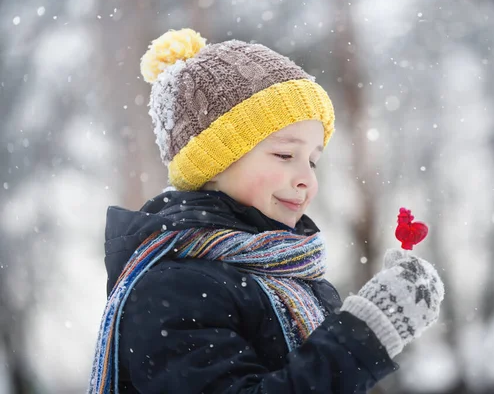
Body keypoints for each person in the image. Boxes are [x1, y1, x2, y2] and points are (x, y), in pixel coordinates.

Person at [88, 28, 444, 394]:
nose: (307, 179)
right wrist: (366, 333)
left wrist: (379, 324)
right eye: (285, 155)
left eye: (313, 161)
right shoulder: (173, 289)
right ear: (215, 162)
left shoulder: (297, 281)